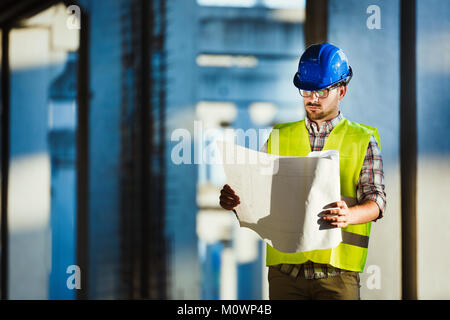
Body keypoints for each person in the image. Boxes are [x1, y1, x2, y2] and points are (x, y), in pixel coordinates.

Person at [219, 43, 386, 300]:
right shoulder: (278, 136)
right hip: (285, 274)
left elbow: (376, 201)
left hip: (337, 276)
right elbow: (257, 195)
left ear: (341, 91)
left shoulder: (362, 139)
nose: (312, 99)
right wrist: (236, 200)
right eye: (306, 90)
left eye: (321, 91)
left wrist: (348, 215)